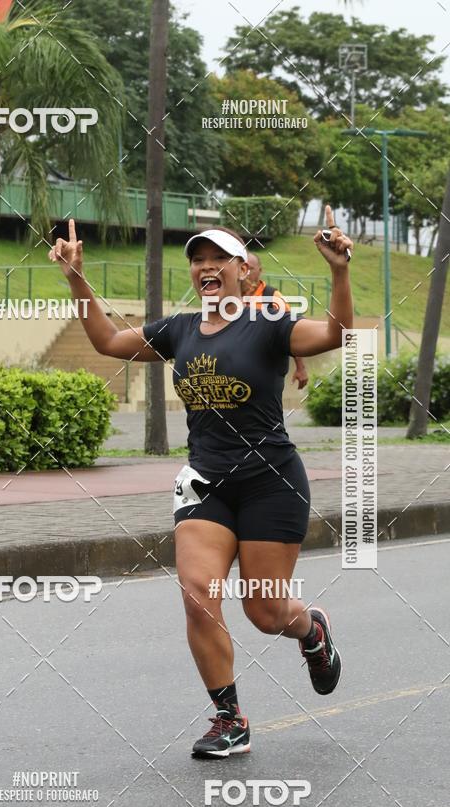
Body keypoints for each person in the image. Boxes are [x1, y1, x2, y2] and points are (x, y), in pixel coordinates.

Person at [49, 207, 353, 759]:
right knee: (197, 596)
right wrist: (76, 279)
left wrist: (338, 272)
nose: (206, 268)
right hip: (206, 483)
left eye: (219, 259)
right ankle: (228, 717)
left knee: (265, 612)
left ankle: (310, 629)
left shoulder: (269, 323)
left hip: (271, 483)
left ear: (242, 269)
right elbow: (108, 343)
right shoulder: (179, 330)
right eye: (198, 260)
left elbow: (336, 333)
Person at [241, 249, 308, 390]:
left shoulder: (273, 297)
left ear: (260, 271)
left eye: (251, 269)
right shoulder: (229, 297)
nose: (247, 273)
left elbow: (292, 332)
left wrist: (300, 368)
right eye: (243, 268)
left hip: (269, 372)